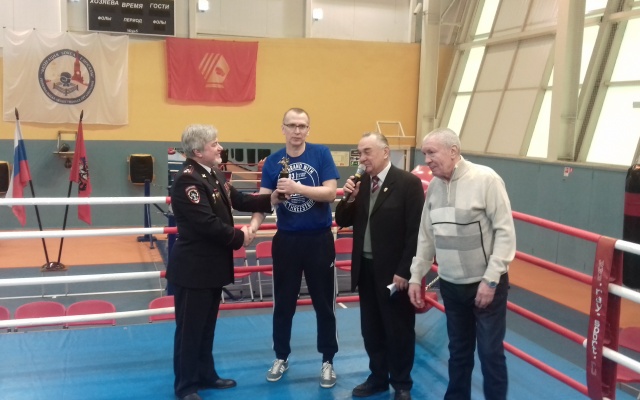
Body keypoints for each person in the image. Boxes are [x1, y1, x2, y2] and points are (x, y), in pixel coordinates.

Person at [166, 124, 278, 400]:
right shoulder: (188, 180)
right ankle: (186, 386)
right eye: (214, 144)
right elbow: (206, 223)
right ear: (197, 151)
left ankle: (206, 374)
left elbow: (238, 199)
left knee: (206, 327)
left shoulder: (212, 173)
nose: (220, 148)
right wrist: (241, 237)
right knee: (190, 330)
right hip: (194, 269)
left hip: (212, 266)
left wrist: (271, 199)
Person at [408, 128, 516, 400]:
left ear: (453, 151)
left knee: (490, 353)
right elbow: (426, 235)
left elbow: (505, 233)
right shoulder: (434, 187)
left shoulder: (486, 179)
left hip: (486, 286)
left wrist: (491, 279)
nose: (427, 160)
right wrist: (416, 276)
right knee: (458, 352)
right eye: (424, 153)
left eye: (432, 152)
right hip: (451, 285)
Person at [250, 107, 340, 388]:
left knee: (324, 303)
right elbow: (264, 201)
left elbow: (330, 193)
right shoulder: (273, 161)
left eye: (302, 126)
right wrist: (253, 225)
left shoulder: (321, 153)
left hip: (318, 239)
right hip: (287, 240)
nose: (297, 130)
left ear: (308, 129)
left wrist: (297, 187)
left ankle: (328, 360)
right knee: (283, 303)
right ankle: (281, 356)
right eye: (292, 125)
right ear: (283, 129)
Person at [334, 132, 424, 400]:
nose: (362, 158)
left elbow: (416, 232)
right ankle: (378, 377)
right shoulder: (361, 183)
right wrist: (349, 197)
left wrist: (404, 270)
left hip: (394, 272)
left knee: (398, 329)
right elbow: (342, 220)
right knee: (371, 328)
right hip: (365, 268)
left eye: (367, 152)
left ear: (385, 152)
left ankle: (402, 383)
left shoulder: (408, 183)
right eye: (359, 153)